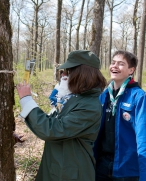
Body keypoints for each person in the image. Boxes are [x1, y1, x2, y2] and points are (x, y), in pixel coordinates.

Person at [16, 50, 106, 181]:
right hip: (57, 166)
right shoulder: (76, 98)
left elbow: (52, 129)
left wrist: (27, 100)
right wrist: (61, 102)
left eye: (68, 72)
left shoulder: (89, 106)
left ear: (82, 74)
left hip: (72, 172)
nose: (63, 76)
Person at [94, 50, 146, 181]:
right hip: (101, 166)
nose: (114, 66)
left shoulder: (138, 97)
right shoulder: (104, 96)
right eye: (113, 63)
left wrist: (144, 174)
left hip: (127, 169)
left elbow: (143, 139)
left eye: (121, 64)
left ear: (131, 70)